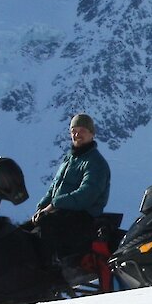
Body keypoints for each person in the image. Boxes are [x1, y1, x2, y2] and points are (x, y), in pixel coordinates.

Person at [31, 113, 112, 267]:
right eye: (73, 130)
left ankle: (51, 272)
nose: (76, 134)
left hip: (83, 217)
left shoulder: (96, 163)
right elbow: (54, 188)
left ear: (91, 133)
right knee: (26, 230)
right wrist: (41, 207)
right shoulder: (70, 159)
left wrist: (54, 205)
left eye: (82, 130)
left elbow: (86, 195)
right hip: (63, 212)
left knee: (47, 226)